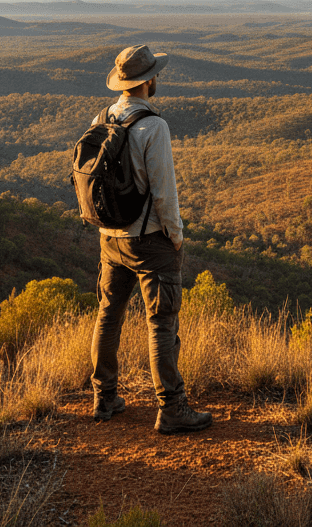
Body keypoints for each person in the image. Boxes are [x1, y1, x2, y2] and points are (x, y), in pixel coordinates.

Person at [89, 44, 212, 432]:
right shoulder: (153, 126)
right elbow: (164, 192)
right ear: (150, 80)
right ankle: (172, 409)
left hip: (110, 238)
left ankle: (104, 398)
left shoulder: (102, 116)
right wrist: (175, 237)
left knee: (109, 315)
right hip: (149, 240)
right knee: (161, 324)